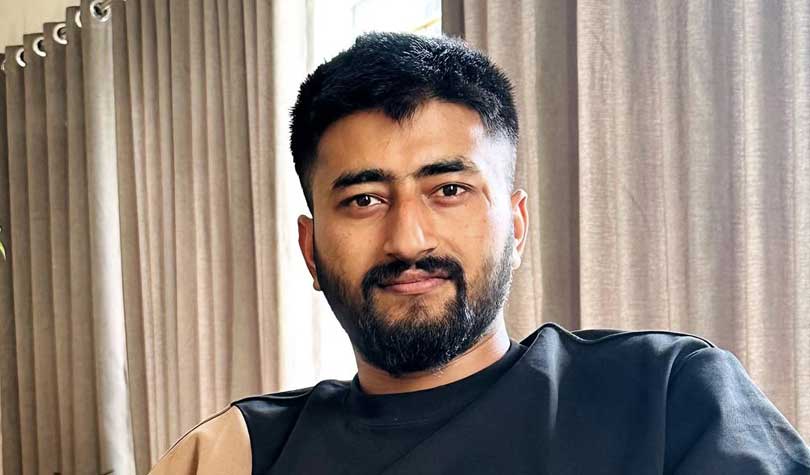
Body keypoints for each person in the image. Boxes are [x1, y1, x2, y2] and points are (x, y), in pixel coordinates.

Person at [148, 32, 810, 474]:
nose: (408, 239)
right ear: (310, 249)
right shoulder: (235, 456)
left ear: (516, 226)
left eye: (449, 189)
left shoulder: (668, 397)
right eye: (363, 199)